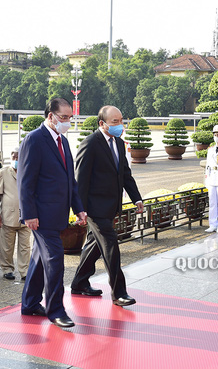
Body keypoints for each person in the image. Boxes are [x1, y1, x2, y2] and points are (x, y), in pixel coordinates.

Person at [18, 97, 86, 329]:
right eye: (64, 118)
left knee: (40, 259)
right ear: (50, 116)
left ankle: (29, 303)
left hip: (58, 214)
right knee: (56, 260)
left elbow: (70, 181)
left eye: (70, 118)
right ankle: (56, 310)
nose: (68, 122)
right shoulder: (34, 140)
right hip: (41, 216)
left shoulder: (63, 141)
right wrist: (28, 213)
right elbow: (25, 182)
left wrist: (78, 208)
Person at [70, 105, 143, 306]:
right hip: (95, 208)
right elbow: (81, 179)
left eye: (121, 120)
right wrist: (79, 210)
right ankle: (119, 292)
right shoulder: (90, 143)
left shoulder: (118, 143)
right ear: (102, 124)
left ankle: (79, 283)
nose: (120, 125)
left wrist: (136, 198)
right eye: (115, 122)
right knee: (110, 246)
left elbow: (125, 175)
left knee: (94, 245)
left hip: (111, 206)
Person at [0, 148, 30, 281]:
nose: (15, 160)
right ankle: (7, 269)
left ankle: (24, 270)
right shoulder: (3, 172)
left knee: (25, 247)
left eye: (18, 157)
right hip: (8, 215)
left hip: (26, 216)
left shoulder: (28, 170)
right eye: (13, 157)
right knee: (6, 246)